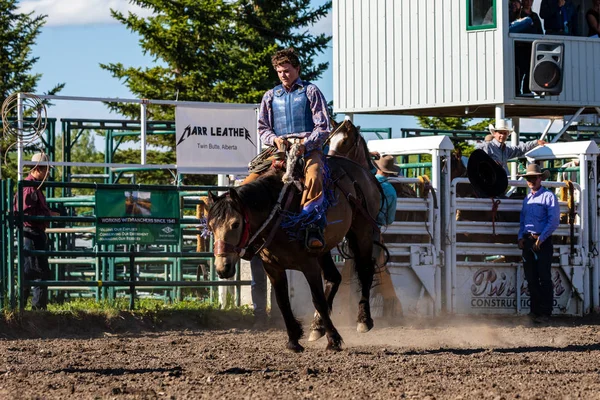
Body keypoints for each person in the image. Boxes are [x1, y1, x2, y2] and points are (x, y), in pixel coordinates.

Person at [256, 48, 330, 250]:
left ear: (297, 69)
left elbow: (323, 127)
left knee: (314, 175)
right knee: (253, 176)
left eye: (287, 71)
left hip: (308, 146)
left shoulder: (310, 91)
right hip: (280, 148)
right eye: (279, 72)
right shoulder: (270, 96)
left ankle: (312, 224)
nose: (283, 75)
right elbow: (263, 128)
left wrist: (305, 145)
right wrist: (274, 139)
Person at [14, 153, 58, 310]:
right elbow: (25, 211)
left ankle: (20, 308)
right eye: (46, 169)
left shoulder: (32, 186)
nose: (47, 173)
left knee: (28, 271)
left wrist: (47, 214)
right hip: (32, 232)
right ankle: (38, 309)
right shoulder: (30, 187)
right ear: (38, 168)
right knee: (39, 272)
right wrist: (46, 215)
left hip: (31, 232)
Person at [517, 164, 560, 323]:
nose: (531, 181)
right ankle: (535, 311)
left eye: (533, 178)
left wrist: (541, 239)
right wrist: (521, 237)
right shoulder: (527, 198)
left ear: (540, 178)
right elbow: (523, 220)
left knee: (543, 277)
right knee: (532, 278)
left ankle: (545, 312)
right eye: (529, 178)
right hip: (529, 240)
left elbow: (554, 220)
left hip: (542, 240)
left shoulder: (548, 196)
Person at [476, 119, 545, 174]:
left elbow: (520, 149)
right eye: (500, 132)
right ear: (494, 134)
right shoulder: (487, 146)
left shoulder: (506, 150)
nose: (502, 135)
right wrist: (491, 163)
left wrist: (536, 142)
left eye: (505, 133)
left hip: (501, 182)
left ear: (507, 135)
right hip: (490, 183)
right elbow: (477, 158)